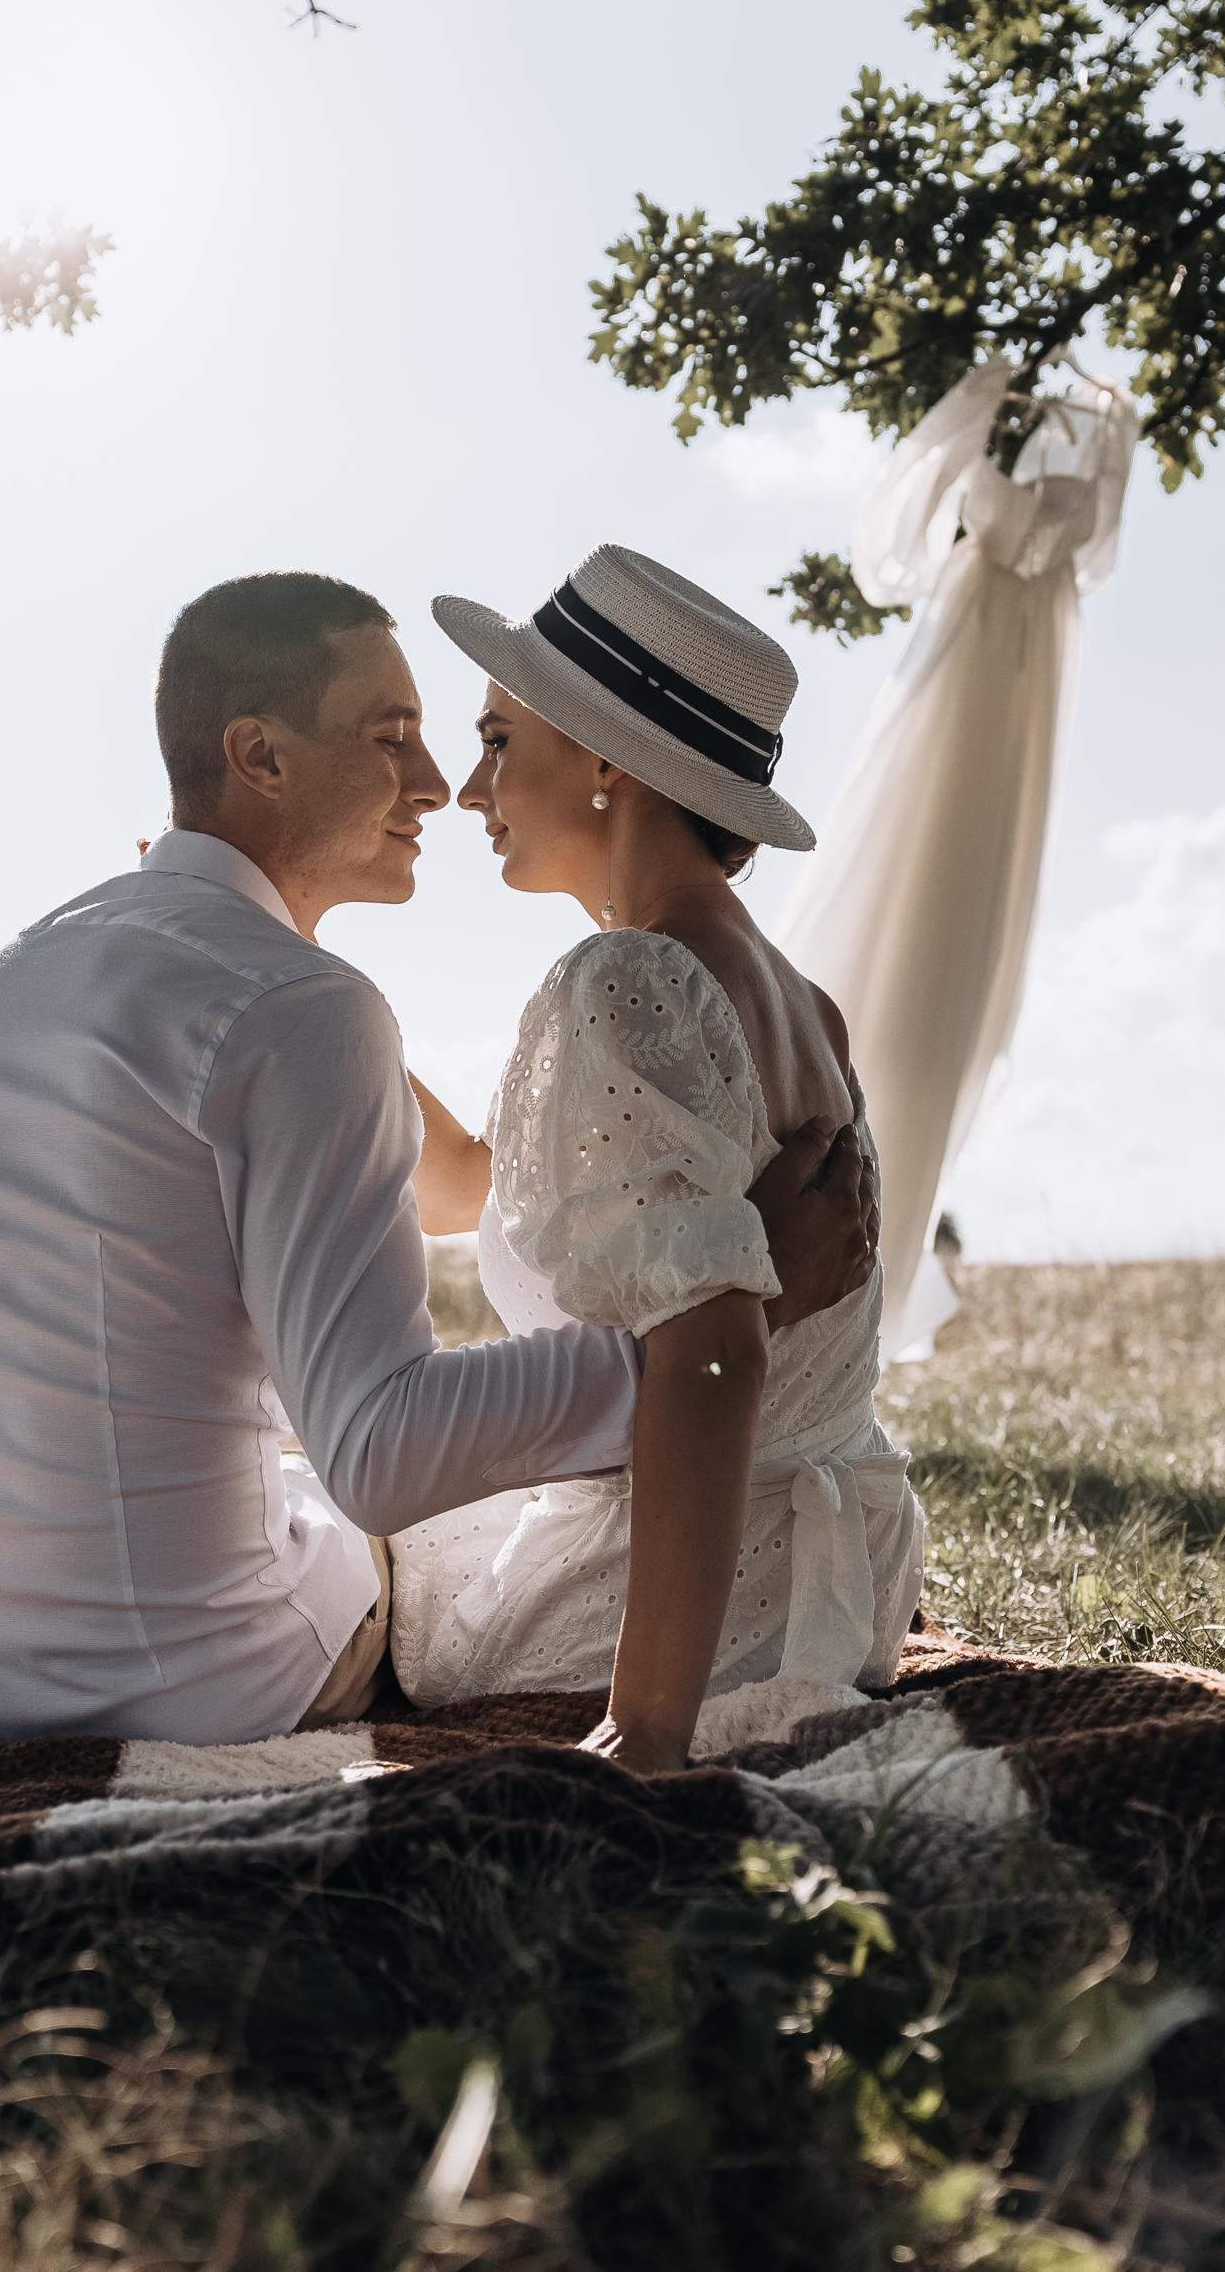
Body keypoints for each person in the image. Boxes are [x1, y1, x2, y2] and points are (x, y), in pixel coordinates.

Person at [0, 571, 876, 1747]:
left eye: (476, 740)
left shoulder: (37, 954)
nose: (442, 785)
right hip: (163, 1674)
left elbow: (472, 1187)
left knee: (342, 1491)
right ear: (260, 757)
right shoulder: (310, 1011)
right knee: (359, 1504)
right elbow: (387, 1425)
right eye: (397, 739)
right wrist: (725, 1306)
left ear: (611, 762)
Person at [390, 547, 925, 1770]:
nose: (473, 789)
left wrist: (643, 1729)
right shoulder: (796, 999)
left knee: (326, 1548)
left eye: (494, 739)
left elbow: (712, 1350)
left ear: (603, 758)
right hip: (827, 1579)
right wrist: (303, 997)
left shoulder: (625, 983)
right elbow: (475, 1188)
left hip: (693, 1597)